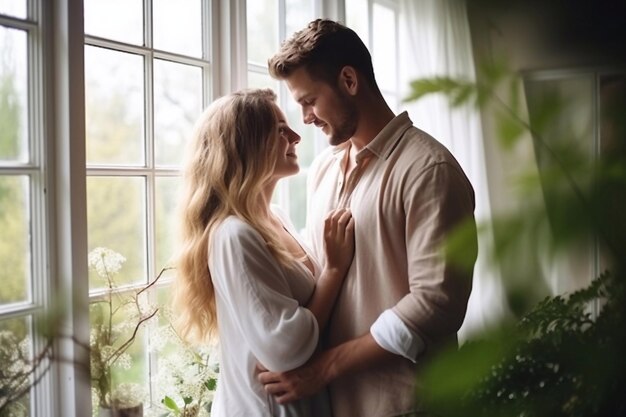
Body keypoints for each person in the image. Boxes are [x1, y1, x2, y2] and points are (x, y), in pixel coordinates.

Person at [259, 19, 478, 417]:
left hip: (407, 405)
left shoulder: (429, 169)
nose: (305, 118)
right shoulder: (323, 169)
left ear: (349, 80)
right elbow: (317, 274)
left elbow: (436, 304)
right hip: (332, 404)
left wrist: (322, 368)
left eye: (309, 101)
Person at [173, 88, 355, 417]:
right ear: (247, 144)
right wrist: (333, 271)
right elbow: (284, 348)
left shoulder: (277, 218)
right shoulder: (234, 235)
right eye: (281, 130)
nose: (297, 136)